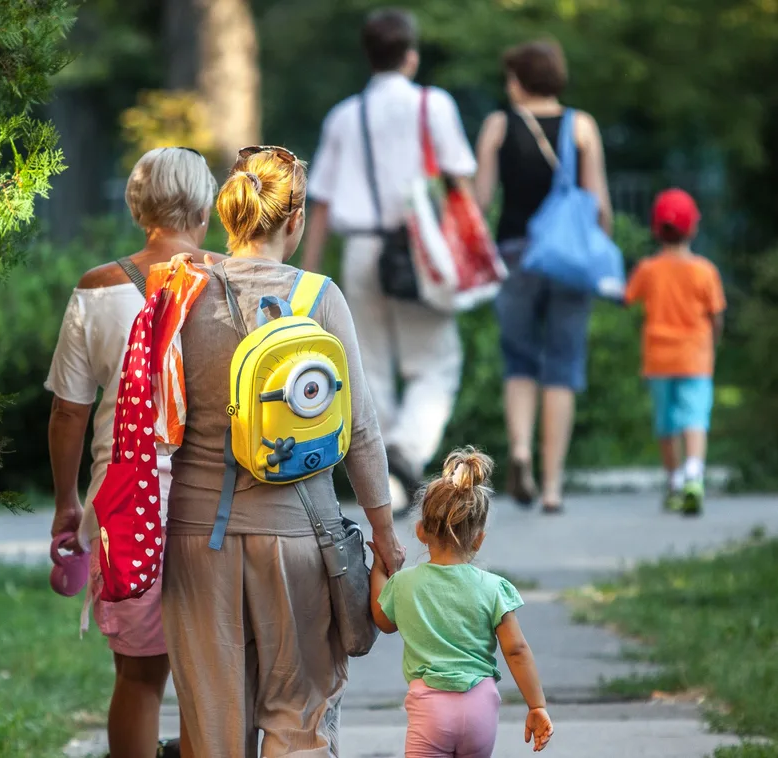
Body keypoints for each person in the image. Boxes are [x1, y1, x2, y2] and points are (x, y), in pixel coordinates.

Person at [162, 145, 405, 757]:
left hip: (196, 545)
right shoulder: (320, 297)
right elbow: (363, 432)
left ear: (229, 215)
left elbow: (148, 419)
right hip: (299, 539)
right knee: (299, 722)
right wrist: (385, 536)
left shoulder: (181, 297)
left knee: (214, 733)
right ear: (294, 221)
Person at [44, 146, 218, 758]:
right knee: (209, 680)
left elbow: (69, 411)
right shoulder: (229, 282)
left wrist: (68, 504)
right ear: (206, 205)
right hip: (217, 503)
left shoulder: (96, 290)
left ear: (137, 205)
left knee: (139, 678)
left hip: (125, 505)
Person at [303, 8, 478, 512]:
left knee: (370, 366)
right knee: (437, 362)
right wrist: (468, 256)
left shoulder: (343, 115)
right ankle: (407, 450)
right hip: (421, 250)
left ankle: (391, 485)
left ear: (368, 57)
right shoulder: (433, 105)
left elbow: (323, 203)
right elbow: (459, 182)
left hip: (361, 249)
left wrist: (309, 276)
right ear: (411, 55)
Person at [473, 39, 613, 514]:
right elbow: (600, 205)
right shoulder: (582, 126)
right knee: (562, 365)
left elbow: (480, 200)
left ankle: (519, 452)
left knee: (520, 362)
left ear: (518, 79)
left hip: (515, 255)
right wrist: (600, 250)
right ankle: (552, 486)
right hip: (569, 260)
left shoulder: (498, 125)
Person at [369, 448, 554, 757]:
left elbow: (382, 620)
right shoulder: (494, 588)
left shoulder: (404, 584)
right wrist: (537, 705)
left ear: (420, 531)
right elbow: (516, 649)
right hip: (480, 706)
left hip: (431, 708)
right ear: (479, 538)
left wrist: (380, 571)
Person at [624, 189, 725, 517]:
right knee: (694, 416)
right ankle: (694, 474)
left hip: (659, 359)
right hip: (696, 358)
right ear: (693, 228)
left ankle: (673, 483)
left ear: (656, 229)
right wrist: (713, 341)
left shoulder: (649, 269)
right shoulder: (705, 271)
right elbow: (716, 316)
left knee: (666, 422)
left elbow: (628, 298)